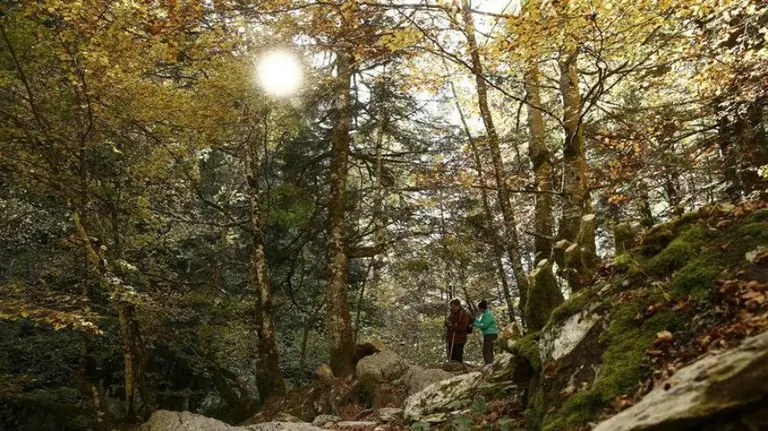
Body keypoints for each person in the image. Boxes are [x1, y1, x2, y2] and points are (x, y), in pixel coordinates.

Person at [444, 298, 470, 363]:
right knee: (452, 357)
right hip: (451, 338)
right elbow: (448, 322)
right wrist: (447, 323)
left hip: (459, 339)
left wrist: (451, 326)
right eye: (451, 306)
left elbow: (463, 327)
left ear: (458, 306)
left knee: (458, 357)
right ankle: (453, 371)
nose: (452, 308)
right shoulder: (451, 313)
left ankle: (459, 370)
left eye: (453, 307)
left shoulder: (463, 314)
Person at [474, 300, 499, 365]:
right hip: (487, 334)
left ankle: (489, 364)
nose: (479, 310)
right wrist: (474, 320)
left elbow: (484, 326)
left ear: (482, 308)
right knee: (487, 350)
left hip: (490, 334)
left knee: (487, 351)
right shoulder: (484, 314)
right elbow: (479, 322)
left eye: (479, 308)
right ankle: (489, 364)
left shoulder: (488, 314)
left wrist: (474, 323)